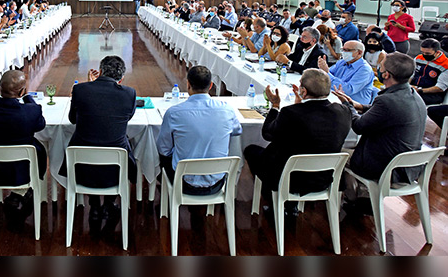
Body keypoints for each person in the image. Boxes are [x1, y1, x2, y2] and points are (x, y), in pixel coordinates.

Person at [332, 53, 427, 208]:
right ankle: (364, 197)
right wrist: (360, 106)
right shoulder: (412, 94)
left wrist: (347, 106)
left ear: (386, 74)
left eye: (380, 67)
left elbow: (358, 126)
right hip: (410, 165)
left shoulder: (386, 100)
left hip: (388, 167)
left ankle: (354, 199)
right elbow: (387, 112)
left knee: (338, 153)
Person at [244, 69, 351, 202]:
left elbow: (267, 134)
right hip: (325, 176)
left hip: (291, 178)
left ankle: (271, 198)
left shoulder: (290, 113)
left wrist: (275, 106)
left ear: (304, 91)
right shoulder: (343, 112)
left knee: (251, 151)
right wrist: (299, 106)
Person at [63, 55, 137, 225]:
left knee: (90, 149)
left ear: (101, 71)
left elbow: (73, 119)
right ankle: (109, 204)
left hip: (82, 164)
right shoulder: (129, 94)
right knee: (120, 146)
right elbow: (127, 117)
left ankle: (94, 205)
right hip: (115, 165)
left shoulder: (80, 90)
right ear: (121, 78)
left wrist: (89, 84)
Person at [0, 70, 46, 222]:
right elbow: (41, 125)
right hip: (23, 168)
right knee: (38, 149)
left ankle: (19, 194)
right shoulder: (31, 111)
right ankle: (22, 191)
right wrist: (27, 97)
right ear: (21, 92)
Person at [157, 65, 242, 195]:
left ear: (188, 84)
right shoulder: (227, 110)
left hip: (183, 182)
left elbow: (163, 149)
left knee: (164, 157)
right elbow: (237, 130)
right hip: (217, 181)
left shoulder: (174, 113)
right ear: (211, 85)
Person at [410, 38, 448, 106]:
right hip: (414, 88)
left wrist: (420, 90)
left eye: (428, 53)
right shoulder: (418, 58)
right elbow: (411, 74)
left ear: (437, 52)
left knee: (411, 100)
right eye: (422, 52)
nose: (424, 55)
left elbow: (440, 88)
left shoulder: (445, 65)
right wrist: (407, 85)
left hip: (432, 94)